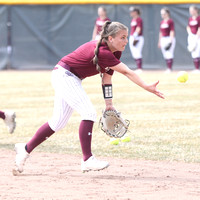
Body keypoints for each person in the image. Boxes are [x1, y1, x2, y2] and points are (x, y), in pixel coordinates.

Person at [13, 21, 164, 175]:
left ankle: (24, 149)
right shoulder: (103, 52)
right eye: (122, 37)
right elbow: (127, 72)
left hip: (68, 76)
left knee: (57, 122)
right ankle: (87, 160)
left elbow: (107, 78)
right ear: (110, 38)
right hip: (65, 75)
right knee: (88, 113)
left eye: (127, 37)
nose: (126, 41)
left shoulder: (115, 51)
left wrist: (109, 104)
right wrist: (146, 86)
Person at [158, 7, 176, 73]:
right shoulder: (162, 22)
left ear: (167, 13)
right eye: (161, 14)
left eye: (164, 13)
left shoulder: (170, 21)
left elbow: (172, 31)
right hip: (163, 39)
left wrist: (170, 41)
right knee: (165, 54)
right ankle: (168, 68)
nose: (162, 15)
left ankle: (169, 68)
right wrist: (159, 41)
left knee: (169, 53)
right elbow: (161, 32)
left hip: (169, 38)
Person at [129, 6, 144, 74]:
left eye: (132, 11)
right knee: (134, 53)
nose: (131, 13)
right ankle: (138, 67)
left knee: (137, 52)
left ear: (135, 12)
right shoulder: (133, 20)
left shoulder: (139, 19)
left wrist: (135, 36)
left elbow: (138, 28)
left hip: (137, 37)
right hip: (132, 36)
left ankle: (139, 68)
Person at [186, 5, 200, 73]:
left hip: (198, 37)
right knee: (194, 52)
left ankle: (197, 68)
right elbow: (188, 27)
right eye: (190, 10)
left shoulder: (199, 18)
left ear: (196, 10)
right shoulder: (190, 19)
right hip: (192, 36)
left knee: (198, 52)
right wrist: (190, 34)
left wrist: (197, 36)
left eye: (192, 10)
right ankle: (196, 68)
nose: (190, 12)